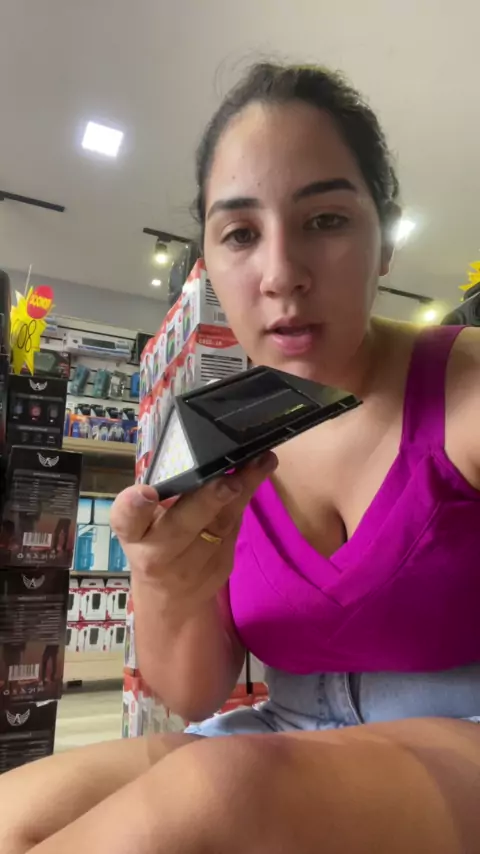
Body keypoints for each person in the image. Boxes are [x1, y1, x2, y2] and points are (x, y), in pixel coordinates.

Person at [2, 62, 480, 854]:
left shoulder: (464, 386)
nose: (282, 274)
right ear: (209, 259)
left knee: (213, 795)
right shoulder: (215, 433)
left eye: (325, 220)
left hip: (461, 724)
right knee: (14, 811)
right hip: (288, 724)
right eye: (241, 234)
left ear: (384, 239)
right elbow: (194, 694)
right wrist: (163, 586)